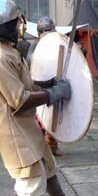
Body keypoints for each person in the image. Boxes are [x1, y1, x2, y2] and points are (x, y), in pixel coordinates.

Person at [0, 0, 88, 196]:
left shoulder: (8, 51)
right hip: (13, 129)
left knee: (48, 162)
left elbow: (27, 85)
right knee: (30, 182)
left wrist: (48, 84)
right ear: (5, 26)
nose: (20, 26)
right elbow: (19, 99)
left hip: (24, 123)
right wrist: (53, 95)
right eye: (16, 22)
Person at [28, 16, 64, 156]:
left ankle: (52, 145)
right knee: (40, 120)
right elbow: (32, 70)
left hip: (53, 87)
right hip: (39, 89)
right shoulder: (34, 46)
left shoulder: (55, 45)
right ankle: (40, 148)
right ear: (41, 32)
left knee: (53, 119)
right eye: (48, 31)